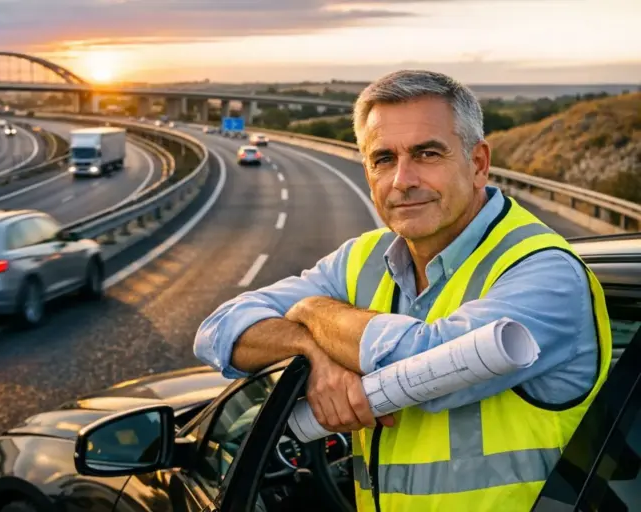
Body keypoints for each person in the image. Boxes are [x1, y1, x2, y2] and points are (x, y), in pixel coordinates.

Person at [193, 70, 612, 511]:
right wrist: (311, 351)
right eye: (383, 159)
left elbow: (429, 369)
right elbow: (218, 331)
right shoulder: (363, 258)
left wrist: (314, 310)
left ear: (479, 164)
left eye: (427, 154)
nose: (402, 180)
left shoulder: (544, 270)